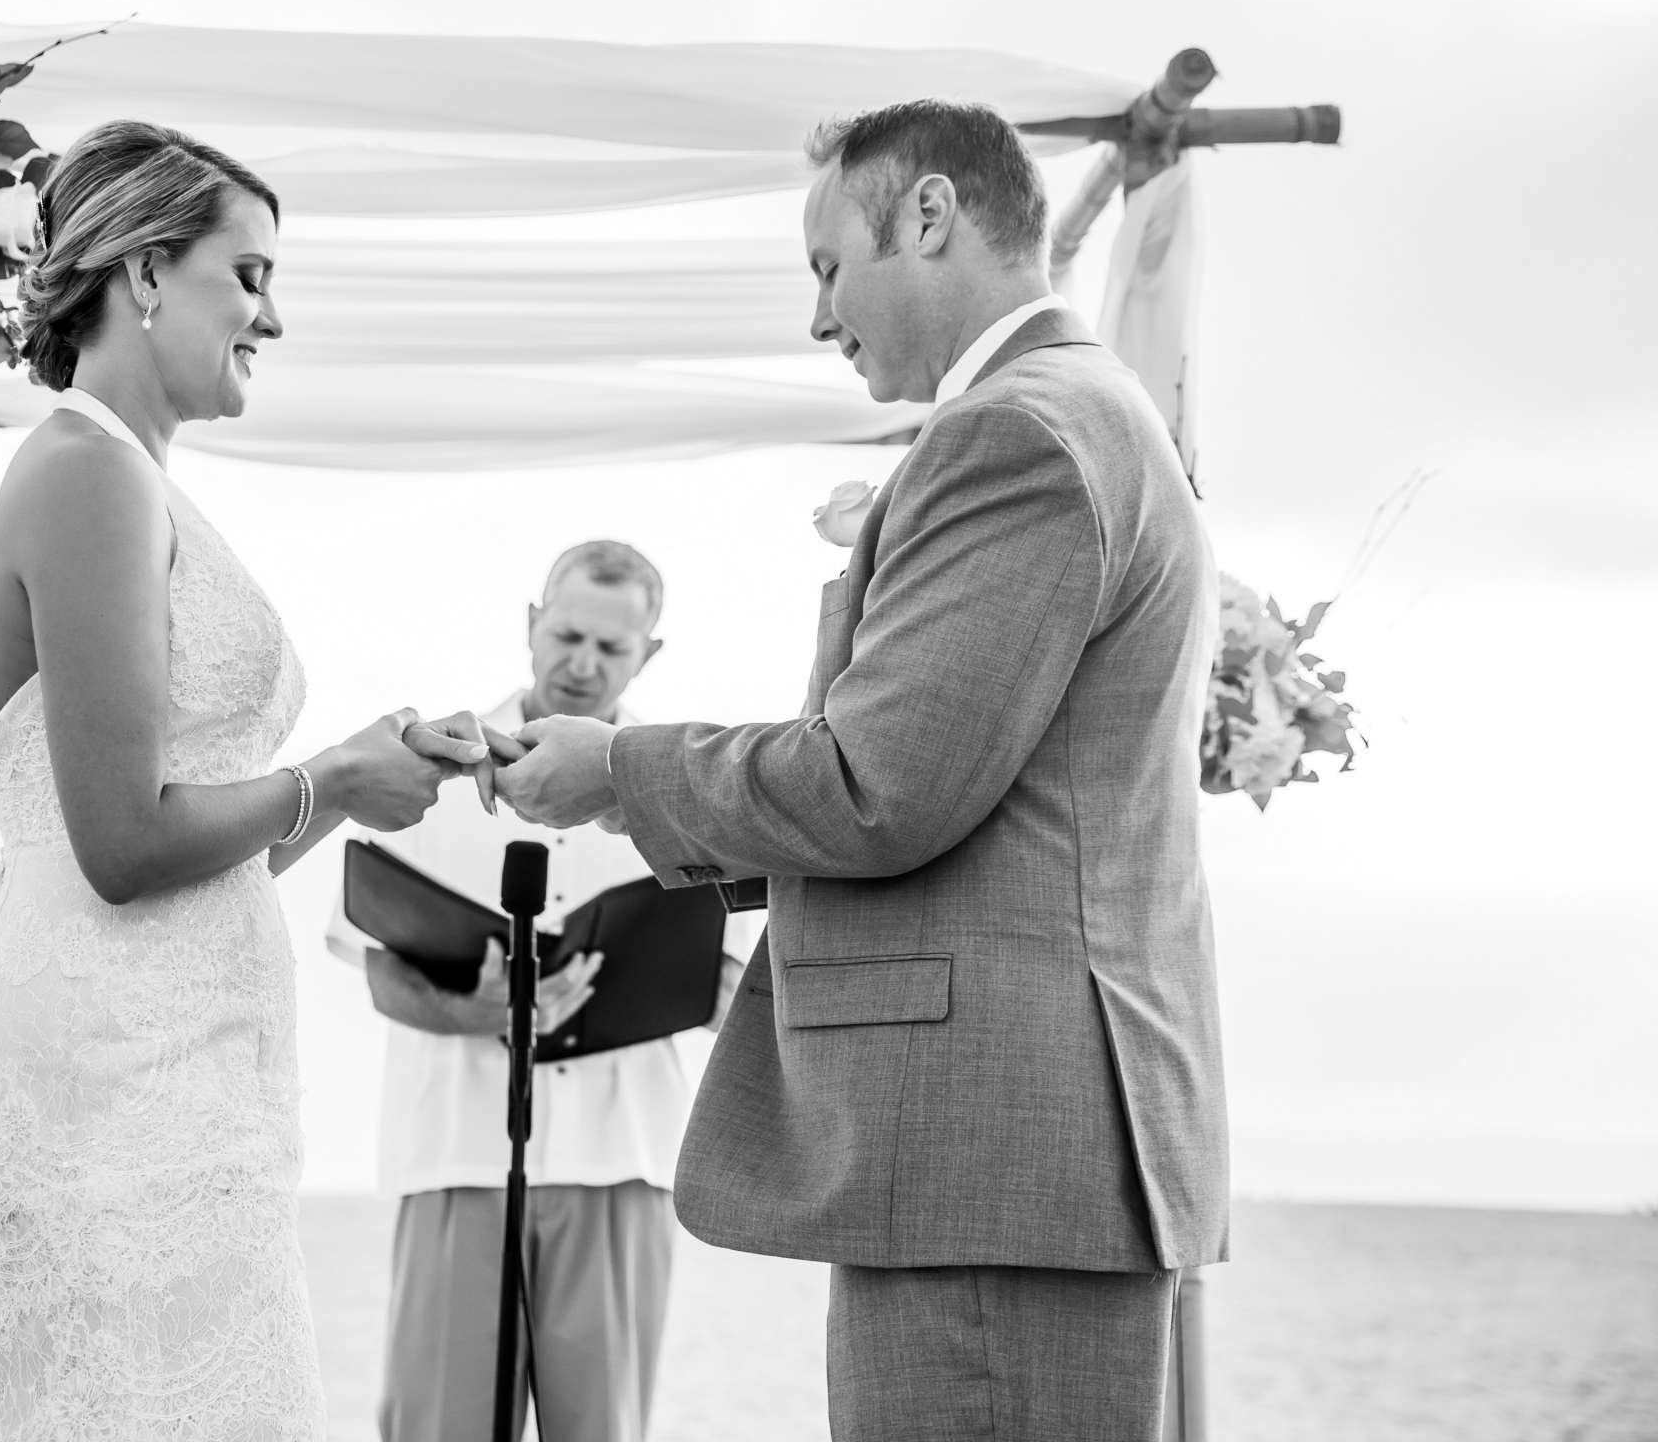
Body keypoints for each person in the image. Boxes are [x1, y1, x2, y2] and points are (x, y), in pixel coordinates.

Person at [496, 100, 1229, 1441]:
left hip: (988, 1151)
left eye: (829, 267)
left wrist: (622, 771)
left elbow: (880, 784)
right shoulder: (1090, 411)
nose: (818, 317)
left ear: (933, 216)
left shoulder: (1015, 434)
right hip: (1031, 1147)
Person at [0, 121, 493, 1441]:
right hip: (105, 1097)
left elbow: (178, 841)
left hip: (173, 1075)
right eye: (251, 274)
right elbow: (120, 844)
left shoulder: (128, 480)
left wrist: (347, 786)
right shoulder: (83, 474)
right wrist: (323, 775)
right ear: (142, 275)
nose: (271, 317)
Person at [324, 542, 760, 1442]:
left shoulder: (694, 796)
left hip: (622, 1160)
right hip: (458, 1159)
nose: (583, 662)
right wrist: (474, 1013)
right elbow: (374, 964)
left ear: (650, 655)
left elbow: (737, 992)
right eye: (567, 634)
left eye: (611, 646)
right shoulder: (429, 769)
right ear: (532, 625)